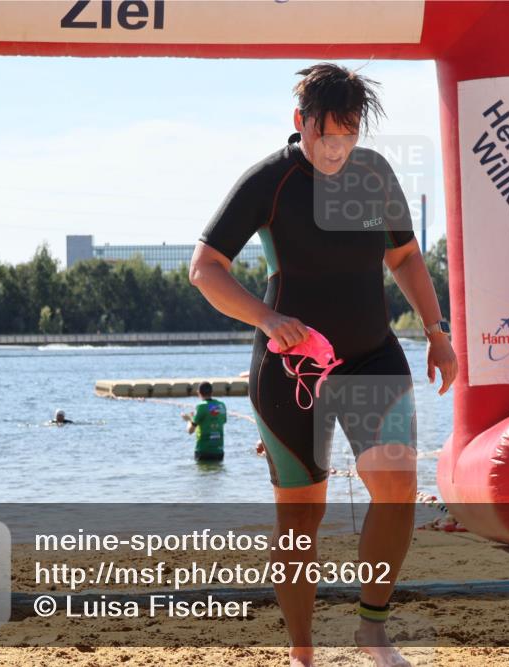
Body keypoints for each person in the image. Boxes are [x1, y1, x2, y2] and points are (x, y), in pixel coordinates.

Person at [189, 63, 457, 667]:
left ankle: (372, 631)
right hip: (293, 373)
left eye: (348, 134)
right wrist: (266, 319)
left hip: (372, 356)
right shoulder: (270, 181)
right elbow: (204, 269)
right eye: (325, 134)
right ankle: (302, 651)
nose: (337, 148)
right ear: (300, 122)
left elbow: (405, 257)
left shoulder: (375, 174)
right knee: (301, 516)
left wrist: (436, 332)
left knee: (396, 488)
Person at [181, 381, 227, 462]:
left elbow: (190, 431)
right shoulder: (221, 405)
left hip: (203, 451)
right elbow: (222, 421)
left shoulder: (201, 406)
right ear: (212, 392)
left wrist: (189, 419)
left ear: (198, 393)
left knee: (203, 470)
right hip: (219, 451)